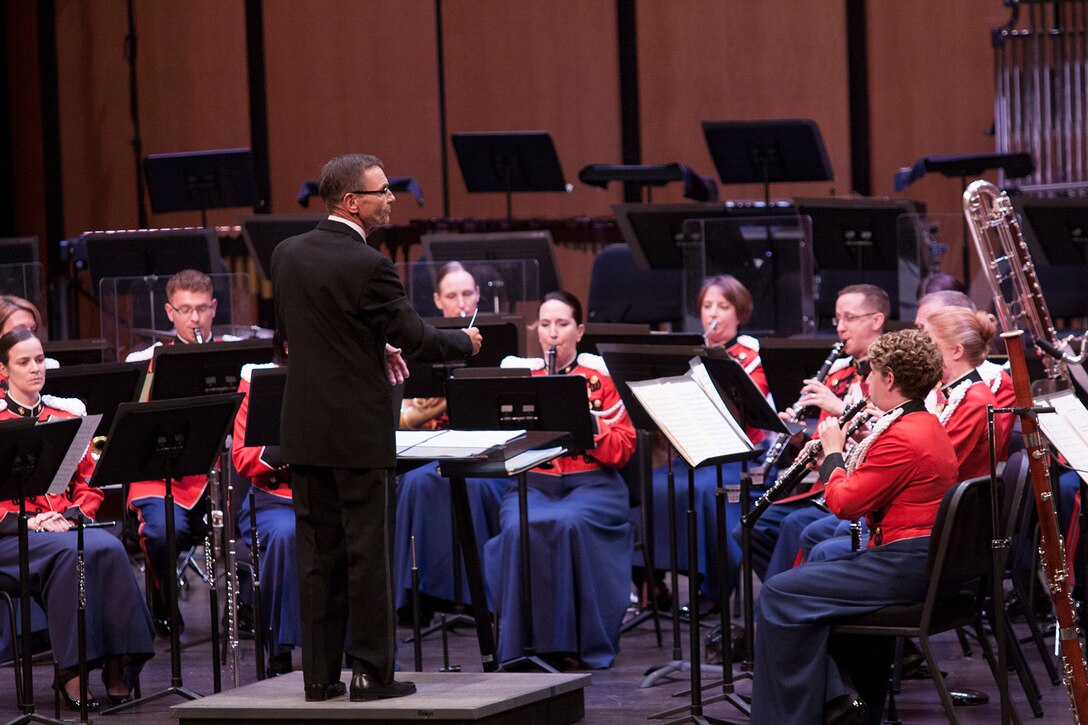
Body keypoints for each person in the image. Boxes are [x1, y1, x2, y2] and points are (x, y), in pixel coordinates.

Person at [271, 153, 481, 702]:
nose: (391, 198)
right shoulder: (369, 264)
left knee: (317, 557)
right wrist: (465, 341)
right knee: (368, 556)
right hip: (359, 433)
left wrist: (371, 343)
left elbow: (299, 336)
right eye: (382, 191)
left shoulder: (286, 255)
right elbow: (417, 338)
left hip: (305, 429)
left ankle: (318, 678)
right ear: (351, 202)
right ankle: (370, 675)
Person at [751, 329, 958, 724]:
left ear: (890, 379)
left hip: (906, 564)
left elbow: (844, 504)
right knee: (808, 585)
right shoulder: (921, 422)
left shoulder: (903, 436)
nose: (866, 382)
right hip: (918, 557)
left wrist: (832, 454)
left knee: (779, 592)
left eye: (872, 373)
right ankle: (841, 703)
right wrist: (844, 459)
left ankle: (807, 712)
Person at [0, 328, 154, 710]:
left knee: (109, 545)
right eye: (24, 362)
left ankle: (117, 664)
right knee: (75, 555)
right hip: (10, 535)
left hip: (62, 528)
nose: (35, 369)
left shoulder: (64, 416)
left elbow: (87, 483)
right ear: (3, 371)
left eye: (39, 360)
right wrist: (29, 522)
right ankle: (73, 670)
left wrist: (71, 515)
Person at [486, 291, 636, 669]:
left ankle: (581, 644)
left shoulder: (600, 379)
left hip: (593, 485)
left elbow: (624, 449)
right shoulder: (524, 377)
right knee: (520, 527)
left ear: (579, 330)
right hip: (534, 484)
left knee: (571, 523)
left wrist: (589, 424)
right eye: (546, 324)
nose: (553, 333)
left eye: (563, 324)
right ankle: (526, 648)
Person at [801, 306, 1011, 564]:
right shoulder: (949, 393)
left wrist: (845, 455)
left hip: (940, 523)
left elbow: (932, 460)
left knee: (829, 535)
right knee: (821, 535)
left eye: (930, 345)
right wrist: (866, 439)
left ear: (956, 351)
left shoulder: (974, 399)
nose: (924, 354)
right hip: (922, 509)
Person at [637, 275, 770, 606]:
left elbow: (749, 410)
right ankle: (653, 582)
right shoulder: (691, 352)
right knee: (652, 486)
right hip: (696, 450)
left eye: (723, 307)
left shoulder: (750, 355)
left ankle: (713, 588)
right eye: (708, 306)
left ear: (739, 313)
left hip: (740, 454)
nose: (714, 314)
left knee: (703, 490)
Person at [393, 264, 512, 623]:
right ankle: (421, 597)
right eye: (451, 296)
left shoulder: (501, 337)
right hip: (428, 453)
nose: (460, 303)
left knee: (466, 486)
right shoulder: (419, 341)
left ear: (478, 296)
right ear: (436, 301)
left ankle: (480, 597)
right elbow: (404, 414)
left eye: (467, 294)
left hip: (487, 450)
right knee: (419, 484)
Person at [747, 284, 888, 582]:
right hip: (828, 484)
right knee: (752, 527)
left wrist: (840, 409)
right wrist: (798, 439)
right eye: (837, 319)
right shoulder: (838, 373)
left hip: (867, 488)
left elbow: (892, 433)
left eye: (850, 318)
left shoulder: (890, 373)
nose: (841, 327)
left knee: (794, 527)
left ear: (877, 320)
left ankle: (784, 605)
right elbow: (819, 447)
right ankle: (787, 591)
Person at [125, 269, 221, 638]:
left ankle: (242, 608)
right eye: (184, 310)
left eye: (200, 308)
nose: (194, 318)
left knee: (254, 524)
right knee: (164, 532)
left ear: (213, 307)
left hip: (220, 472)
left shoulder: (235, 357)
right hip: (163, 473)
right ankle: (164, 603)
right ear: (169, 312)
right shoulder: (146, 360)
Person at [231, 334, 298, 676]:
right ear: (286, 344)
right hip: (273, 502)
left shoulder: (339, 376)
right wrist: (293, 450)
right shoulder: (258, 384)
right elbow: (243, 457)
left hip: (328, 495)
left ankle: (361, 650)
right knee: (288, 536)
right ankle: (280, 650)